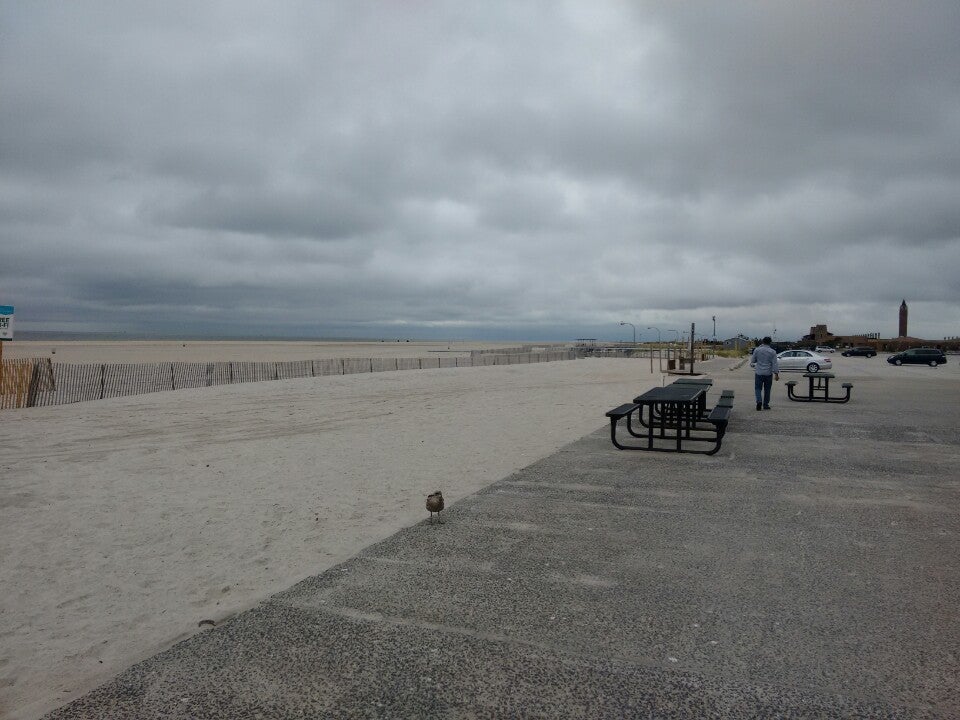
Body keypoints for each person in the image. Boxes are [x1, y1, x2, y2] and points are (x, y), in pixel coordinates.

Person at [750, 337, 780, 410]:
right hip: (768, 373)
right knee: (767, 389)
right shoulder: (773, 352)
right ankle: (766, 405)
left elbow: (753, 360)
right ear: (770, 342)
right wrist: (776, 374)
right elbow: (775, 364)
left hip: (759, 372)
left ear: (762, 341)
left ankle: (759, 401)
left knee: (757, 388)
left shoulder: (757, 350)